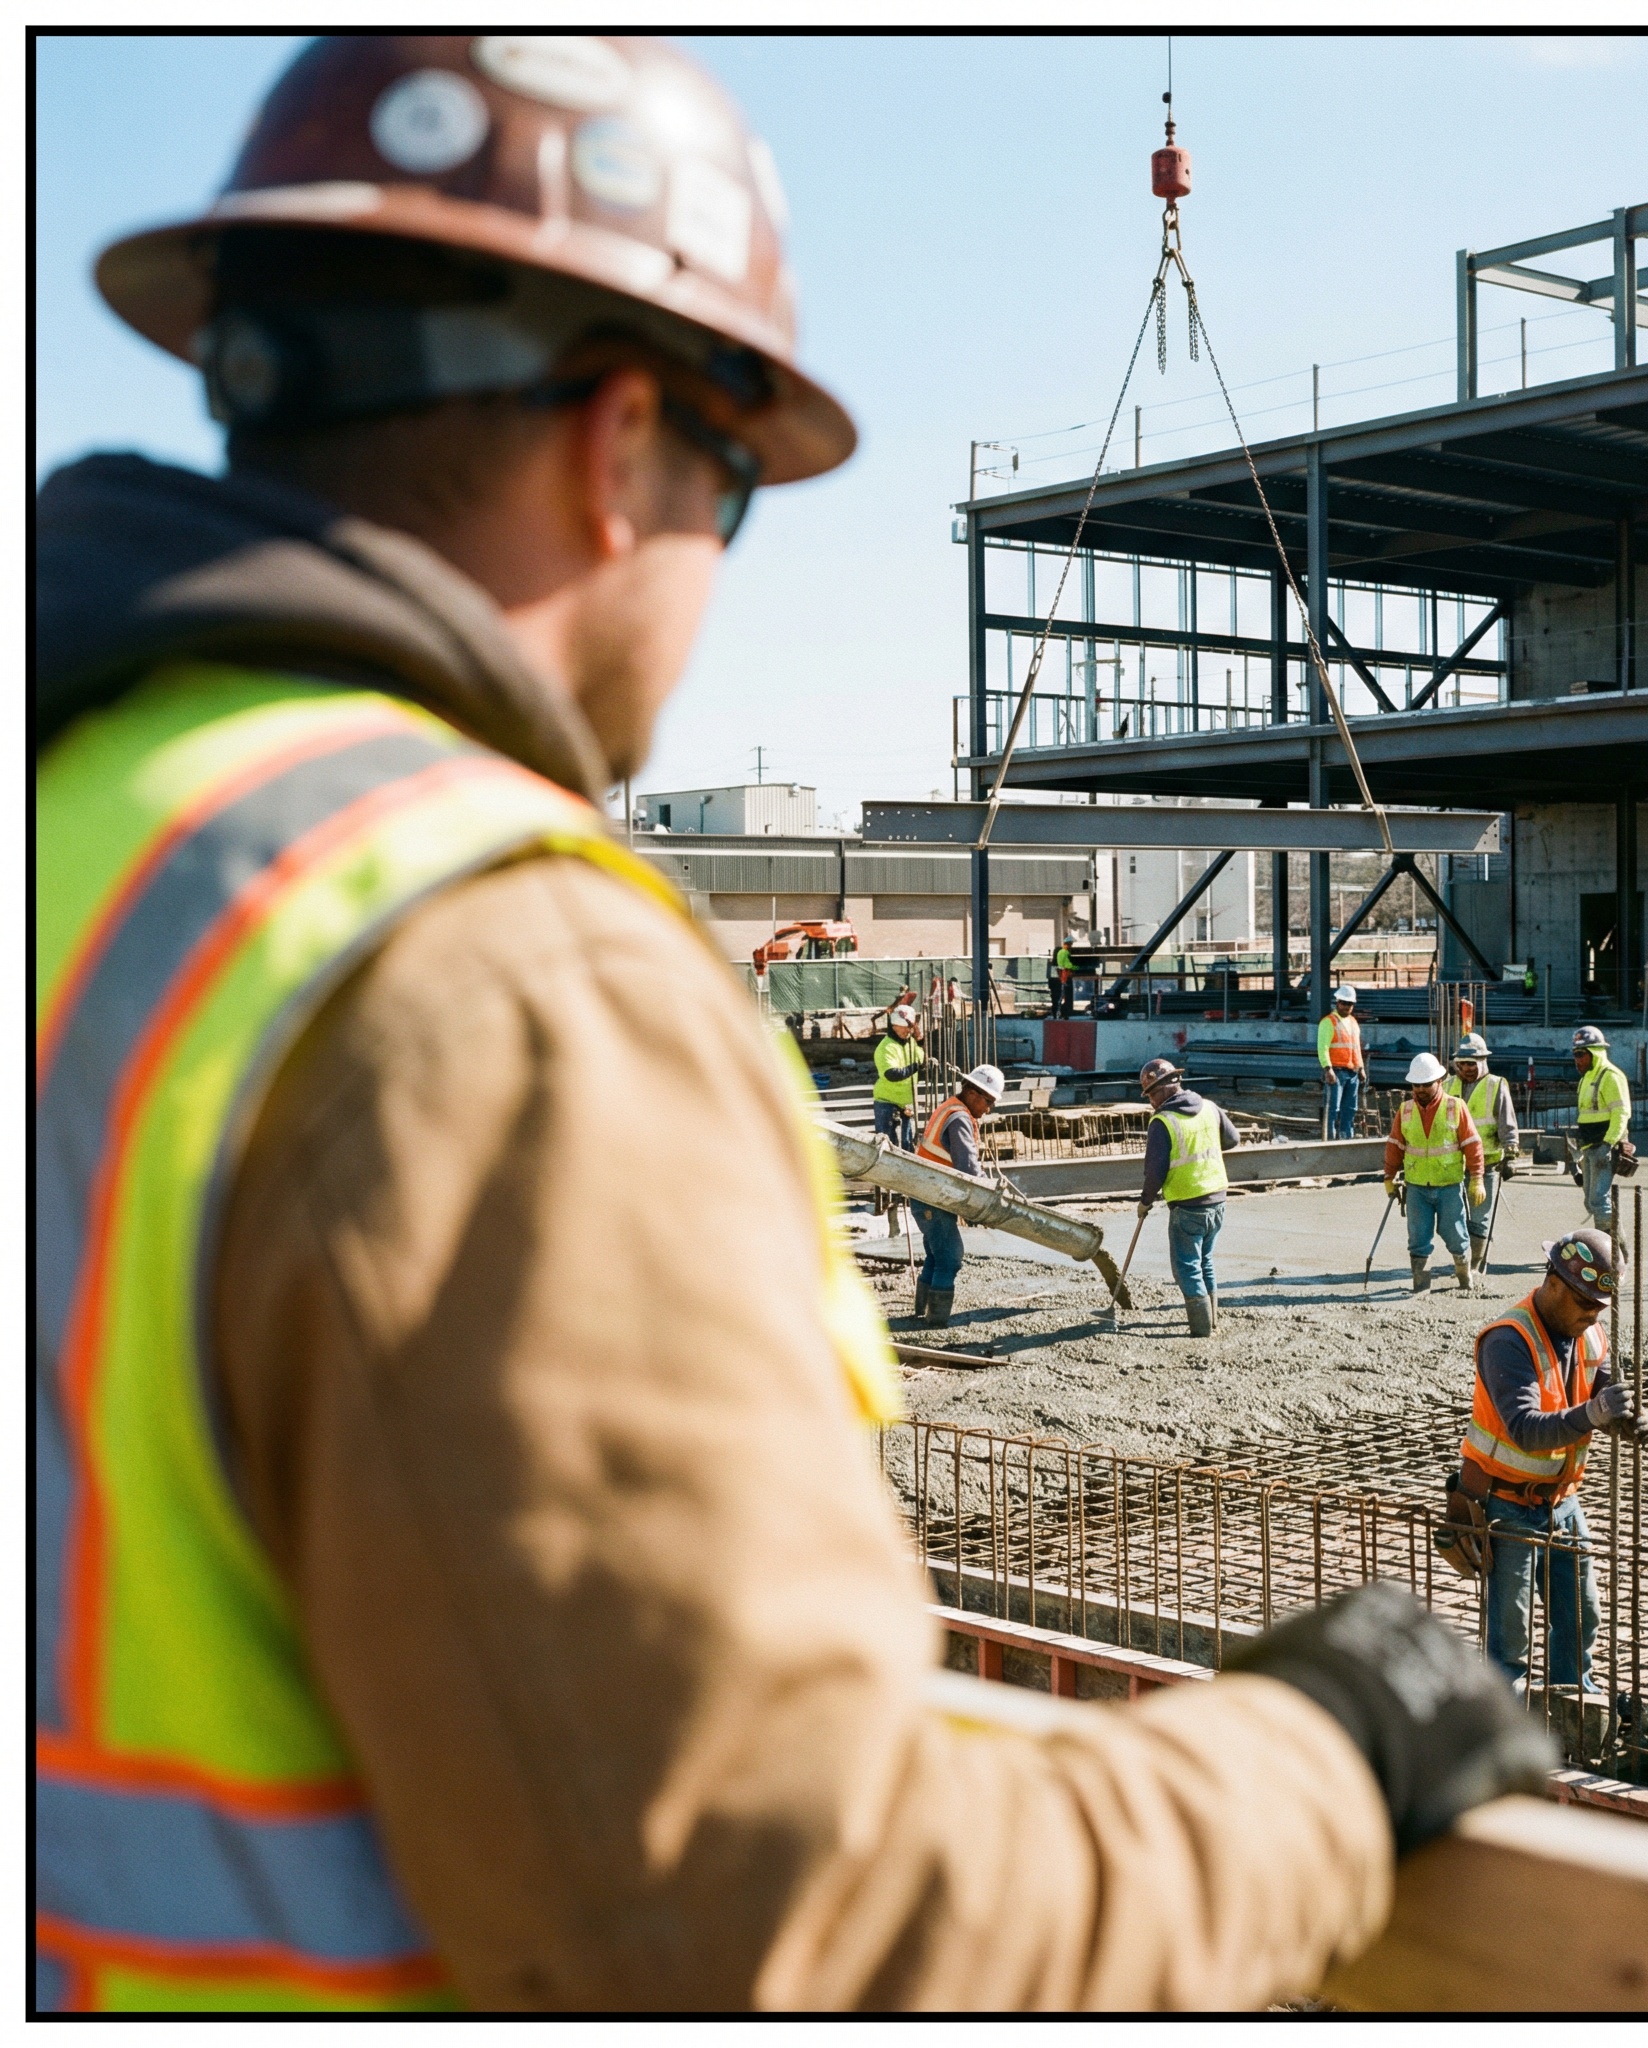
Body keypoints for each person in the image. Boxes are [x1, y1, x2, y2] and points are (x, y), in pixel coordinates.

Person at [35, 36, 1555, 2013]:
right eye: (736, 488)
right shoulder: (487, 973)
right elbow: (773, 1926)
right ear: (617, 451)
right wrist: (1325, 1753)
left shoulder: (88, 844)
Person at [1444, 1230, 1648, 1696]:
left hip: (1561, 1502)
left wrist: (1628, 1418)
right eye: (1585, 1302)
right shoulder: (1508, 1339)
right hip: (1506, 1503)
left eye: (1600, 1306)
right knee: (1511, 1640)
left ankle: (1574, 1710)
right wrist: (1594, 1416)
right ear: (1553, 1281)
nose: (1593, 1314)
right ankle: (1505, 1736)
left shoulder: (1589, 1332)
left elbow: (1600, 1391)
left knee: (1581, 1615)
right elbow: (1526, 1428)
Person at [1135, 1056, 1241, 1337]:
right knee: (1205, 1260)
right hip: (1217, 1198)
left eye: (1150, 1095)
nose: (1150, 1102)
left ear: (1161, 1090)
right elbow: (1233, 1139)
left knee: (1186, 1266)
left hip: (1188, 1204)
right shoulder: (1209, 1107)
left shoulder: (1163, 1121)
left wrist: (1145, 1202)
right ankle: (1213, 1317)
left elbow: (1154, 1172)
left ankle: (1202, 1328)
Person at [911, 1062, 1004, 1326]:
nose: (988, 1110)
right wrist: (991, 1196)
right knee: (950, 1257)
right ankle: (935, 1324)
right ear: (974, 1093)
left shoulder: (951, 1107)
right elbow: (969, 1169)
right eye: (988, 1102)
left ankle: (921, 1314)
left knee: (936, 1255)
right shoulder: (960, 1118)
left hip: (928, 1193)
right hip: (934, 1196)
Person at [1384, 1053, 1485, 1293]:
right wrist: (1389, 1177)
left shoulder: (1455, 1107)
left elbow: (1472, 1143)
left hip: (1449, 1185)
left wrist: (1478, 1178)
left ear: (1439, 1081)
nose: (1420, 1089)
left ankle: (1464, 1280)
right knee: (1418, 1239)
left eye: (1426, 1084)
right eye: (1416, 1085)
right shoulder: (1405, 1110)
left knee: (1455, 1234)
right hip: (1417, 1186)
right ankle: (1421, 1287)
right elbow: (1395, 1145)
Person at [1447, 1034, 1517, 1267]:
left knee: (1479, 1217)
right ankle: (1464, 1260)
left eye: (1471, 1063)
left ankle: (1475, 1265)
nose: (1466, 1068)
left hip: (1487, 1163)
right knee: (1457, 1218)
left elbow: (1507, 1123)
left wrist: (1511, 1154)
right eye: (1462, 1063)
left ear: (1482, 1062)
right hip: (1455, 1163)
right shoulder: (1448, 1085)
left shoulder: (1495, 1085)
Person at [1570, 1026, 1631, 1233]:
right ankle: (1616, 1247)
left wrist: (1608, 1143)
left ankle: (1612, 1251)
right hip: (1589, 1146)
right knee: (1590, 1201)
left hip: (1604, 1146)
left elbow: (1621, 1113)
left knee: (1598, 1200)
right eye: (1575, 1054)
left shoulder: (1610, 1076)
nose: (1577, 1060)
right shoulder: (1586, 1079)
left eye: (1581, 1054)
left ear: (1594, 1053)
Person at [872, 1005, 925, 1149]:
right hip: (886, 1102)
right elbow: (892, 1074)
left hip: (907, 1102)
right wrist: (916, 1067)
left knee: (908, 1146)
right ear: (893, 1025)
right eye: (903, 1026)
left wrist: (921, 1041)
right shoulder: (886, 1047)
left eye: (909, 1027)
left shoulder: (911, 1043)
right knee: (887, 1146)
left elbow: (922, 1061)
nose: (907, 1030)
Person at [1316, 983, 1364, 1140]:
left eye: (1350, 1004)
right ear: (1338, 1002)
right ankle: (1329, 1139)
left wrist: (1361, 1068)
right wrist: (1327, 1068)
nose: (1347, 1007)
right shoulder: (1328, 1022)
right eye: (1344, 1003)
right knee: (1332, 1109)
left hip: (1352, 1073)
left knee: (1350, 1109)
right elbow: (1322, 1047)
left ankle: (1346, 1138)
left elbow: (1356, 1047)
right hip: (1336, 1072)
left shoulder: (1353, 1023)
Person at [1051, 935, 1077, 1018]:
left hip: (1057, 979)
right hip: (1063, 978)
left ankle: (1057, 1014)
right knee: (1065, 996)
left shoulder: (1055, 961)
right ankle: (1064, 1013)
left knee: (1057, 998)